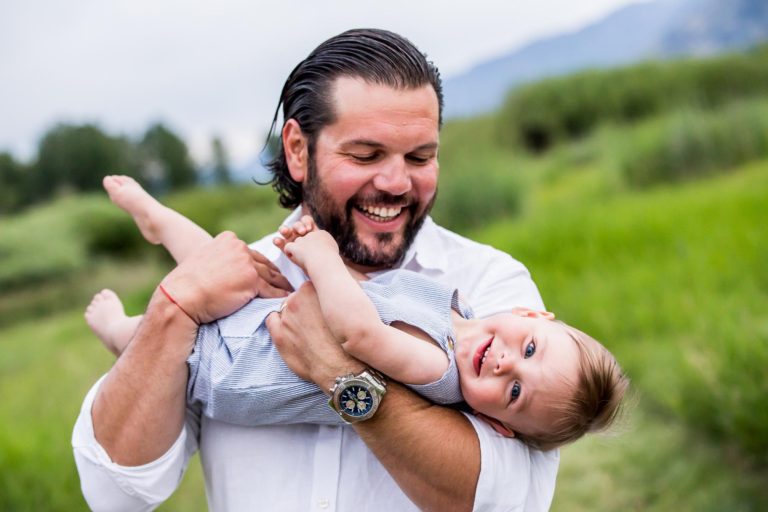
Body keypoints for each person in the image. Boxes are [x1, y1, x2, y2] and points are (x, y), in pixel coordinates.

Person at [73, 28, 581, 511]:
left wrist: (338, 374)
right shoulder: (230, 272)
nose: (397, 182)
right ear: (297, 150)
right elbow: (116, 495)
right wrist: (173, 307)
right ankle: (156, 226)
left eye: (420, 156)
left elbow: (502, 496)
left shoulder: (490, 286)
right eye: (366, 154)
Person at [86, 176, 626, 450]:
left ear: (495, 424)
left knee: (183, 340)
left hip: (241, 371)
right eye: (530, 349)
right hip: (274, 327)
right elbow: (378, 293)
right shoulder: (454, 307)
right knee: (230, 270)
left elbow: (362, 333)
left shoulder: (438, 370)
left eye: (514, 394)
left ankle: (118, 332)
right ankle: (158, 219)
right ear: (536, 316)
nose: (508, 364)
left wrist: (322, 257)